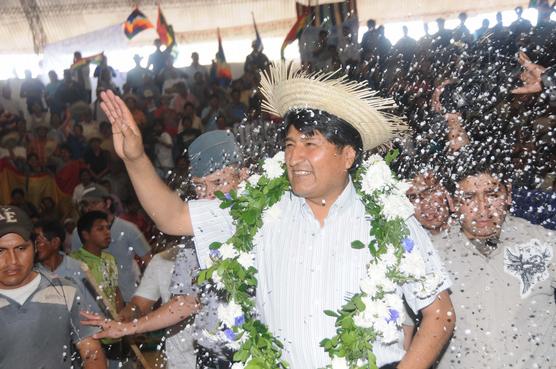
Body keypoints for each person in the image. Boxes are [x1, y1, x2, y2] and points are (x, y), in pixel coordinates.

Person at [84, 63, 455, 369]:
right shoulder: (260, 211)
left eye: (311, 144)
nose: (295, 157)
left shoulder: (388, 218)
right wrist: (135, 158)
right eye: (290, 145)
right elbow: (173, 217)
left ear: (347, 156)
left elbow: (439, 313)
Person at [82, 131, 246, 369]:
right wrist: (128, 327)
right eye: (200, 186)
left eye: (219, 182)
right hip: (214, 354)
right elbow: (186, 302)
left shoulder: (268, 217)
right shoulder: (196, 240)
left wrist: (135, 158)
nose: (209, 195)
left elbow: (169, 218)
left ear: (243, 176)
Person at [434, 163, 556, 368]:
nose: (483, 208)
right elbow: (405, 333)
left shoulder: (543, 244)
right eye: (469, 197)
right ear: (451, 201)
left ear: (508, 195)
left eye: (492, 194)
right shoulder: (433, 255)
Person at [0, 205, 107, 369]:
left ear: (35, 247)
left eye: (21, 248)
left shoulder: (65, 292)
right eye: (1, 251)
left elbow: (91, 351)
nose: (12, 260)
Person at [71, 185, 152, 303]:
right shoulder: (78, 233)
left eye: (94, 203)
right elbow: (75, 266)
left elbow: (149, 261)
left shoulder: (128, 229)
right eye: (86, 205)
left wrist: (146, 294)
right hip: (93, 302)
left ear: (107, 203)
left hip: (128, 298)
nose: (89, 208)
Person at [34, 220, 100, 312]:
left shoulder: (79, 269)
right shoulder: (33, 274)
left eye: (38, 242)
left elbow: (96, 306)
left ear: (55, 242)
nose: (35, 247)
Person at [72, 211, 123, 313]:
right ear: (86, 235)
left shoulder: (109, 259)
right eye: (100, 229)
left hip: (112, 322)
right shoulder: (75, 261)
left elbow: (115, 290)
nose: (107, 232)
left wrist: (119, 318)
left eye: (108, 228)